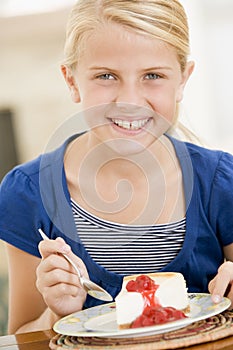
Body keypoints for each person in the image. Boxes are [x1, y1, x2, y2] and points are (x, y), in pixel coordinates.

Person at [0, 0, 233, 335]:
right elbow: (22, 337)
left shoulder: (220, 183)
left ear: (183, 79)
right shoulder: (27, 193)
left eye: (153, 75)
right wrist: (56, 315)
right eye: (106, 76)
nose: (130, 100)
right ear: (71, 81)